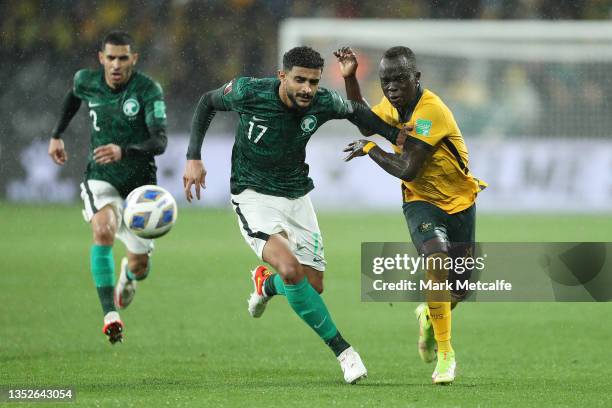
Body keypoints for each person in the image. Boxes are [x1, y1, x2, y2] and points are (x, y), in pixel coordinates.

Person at [183, 46, 405, 384]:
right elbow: (206, 103)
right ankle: (345, 352)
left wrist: (398, 137)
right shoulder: (249, 92)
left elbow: (359, 115)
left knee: (312, 284)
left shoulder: (323, 101)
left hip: (297, 195)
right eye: (299, 80)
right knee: (290, 268)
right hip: (253, 194)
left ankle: (265, 284)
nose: (307, 89)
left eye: (313, 82)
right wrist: (193, 157)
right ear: (282, 76)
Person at [336, 46, 486, 384]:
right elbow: (363, 119)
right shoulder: (393, 106)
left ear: (416, 78)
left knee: (458, 291)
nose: (391, 87)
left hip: (459, 203)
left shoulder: (430, 111)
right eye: (385, 80)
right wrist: (350, 78)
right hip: (420, 201)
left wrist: (371, 149)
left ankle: (428, 317)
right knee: (436, 260)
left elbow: (407, 166)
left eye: (399, 79)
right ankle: (446, 355)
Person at [47, 31, 168, 344]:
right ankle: (110, 315)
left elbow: (160, 141)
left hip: (140, 185)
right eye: (110, 57)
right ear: (101, 58)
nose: (116, 64)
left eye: (123, 58)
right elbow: (74, 95)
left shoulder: (147, 89)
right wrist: (57, 133)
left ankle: (129, 275)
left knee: (141, 266)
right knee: (103, 229)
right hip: (101, 175)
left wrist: (124, 150)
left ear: (134, 59)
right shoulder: (87, 80)